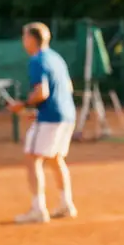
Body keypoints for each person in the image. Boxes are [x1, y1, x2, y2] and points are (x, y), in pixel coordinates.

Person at [7, 22, 77, 224]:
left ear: (31, 39)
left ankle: (38, 210)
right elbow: (67, 88)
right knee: (55, 158)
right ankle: (66, 204)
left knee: (32, 158)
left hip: (51, 117)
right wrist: (36, 109)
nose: (23, 40)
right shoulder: (56, 58)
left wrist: (24, 104)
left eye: (24, 36)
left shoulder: (37, 60)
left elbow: (42, 92)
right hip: (67, 115)